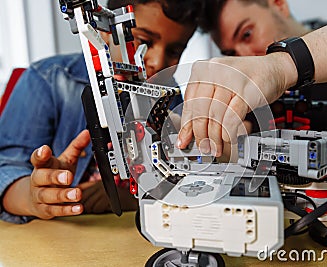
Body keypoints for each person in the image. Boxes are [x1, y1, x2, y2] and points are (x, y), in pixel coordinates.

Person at [0, 0, 200, 223]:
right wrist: (32, 196)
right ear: (104, 31)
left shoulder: (166, 94)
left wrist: (133, 198)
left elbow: (178, 173)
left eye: (174, 51)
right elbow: (6, 167)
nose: (157, 61)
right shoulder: (48, 80)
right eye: (143, 41)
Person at [177, 0, 327, 159]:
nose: (245, 54)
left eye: (247, 33)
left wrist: (281, 66)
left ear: (278, 3)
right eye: (232, 53)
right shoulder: (250, 94)